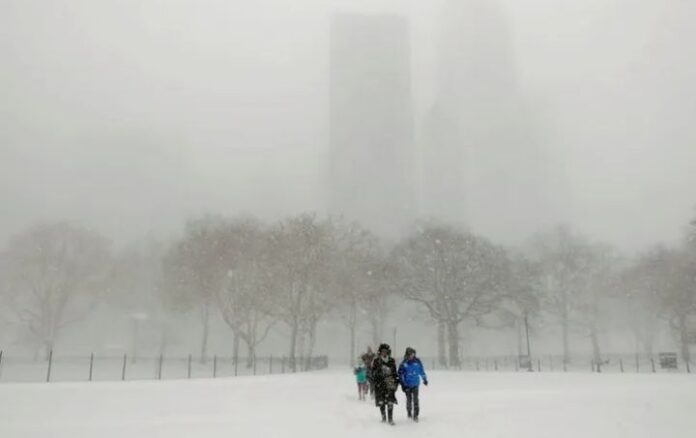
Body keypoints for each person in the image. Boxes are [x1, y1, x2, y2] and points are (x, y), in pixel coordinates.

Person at [371, 343, 400, 425]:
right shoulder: (376, 361)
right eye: (383, 351)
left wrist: (396, 381)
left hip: (390, 383)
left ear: (388, 352)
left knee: (390, 401)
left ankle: (390, 419)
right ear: (380, 352)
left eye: (386, 351)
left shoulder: (391, 360)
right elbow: (373, 373)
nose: (384, 353)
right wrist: (378, 375)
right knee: (381, 402)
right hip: (379, 384)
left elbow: (394, 372)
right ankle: (383, 417)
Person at [398, 347, 428, 422]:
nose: (412, 355)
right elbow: (401, 374)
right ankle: (409, 413)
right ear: (407, 354)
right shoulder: (404, 363)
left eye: (413, 354)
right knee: (409, 400)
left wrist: (424, 379)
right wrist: (403, 384)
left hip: (415, 384)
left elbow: (421, 371)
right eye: (411, 354)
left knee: (416, 400)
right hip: (407, 385)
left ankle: (416, 415)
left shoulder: (417, 362)